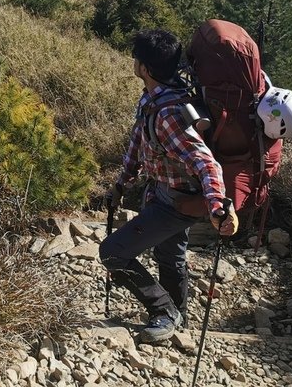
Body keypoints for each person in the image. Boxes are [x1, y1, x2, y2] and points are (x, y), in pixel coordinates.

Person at [100, 28, 238, 343]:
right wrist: (122, 184)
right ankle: (178, 321)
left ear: (145, 68)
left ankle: (166, 312)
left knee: (112, 253)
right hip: (163, 192)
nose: (133, 62)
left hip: (174, 203)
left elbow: (205, 163)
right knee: (170, 257)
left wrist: (217, 206)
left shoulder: (168, 113)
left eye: (137, 59)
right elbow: (139, 140)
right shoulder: (156, 95)